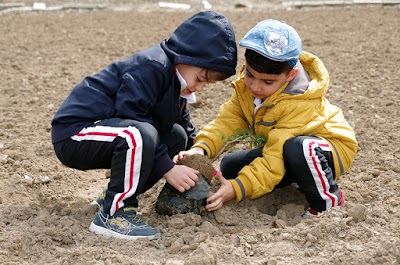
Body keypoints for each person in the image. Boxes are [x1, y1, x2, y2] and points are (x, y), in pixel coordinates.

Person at [50, 11, 237, 240]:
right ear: (186, 56)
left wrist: (197, 160)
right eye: (200, 78)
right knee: (140, 134)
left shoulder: (177, 82)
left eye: (205, 84)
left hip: (116, 131)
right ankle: (114, 213)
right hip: (76, 133)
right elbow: (131, 114)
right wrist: (168, 169)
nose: (199, 88)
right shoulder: (152, 66)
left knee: (176, 137)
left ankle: (109, 198)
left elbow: (184, 129)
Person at [175, 19, 358, 217]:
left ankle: (327, 202)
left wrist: (236, 189)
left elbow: (275, 155)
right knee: (230, 167)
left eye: (268, 82)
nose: (255, 87)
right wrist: (200, 148)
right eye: (251, 75)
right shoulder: (246, 89)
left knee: (298, 148)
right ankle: (301, 178)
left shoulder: (299, 101)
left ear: (291, 75)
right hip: (286, 150)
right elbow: (227, 122)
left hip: (326, 150)